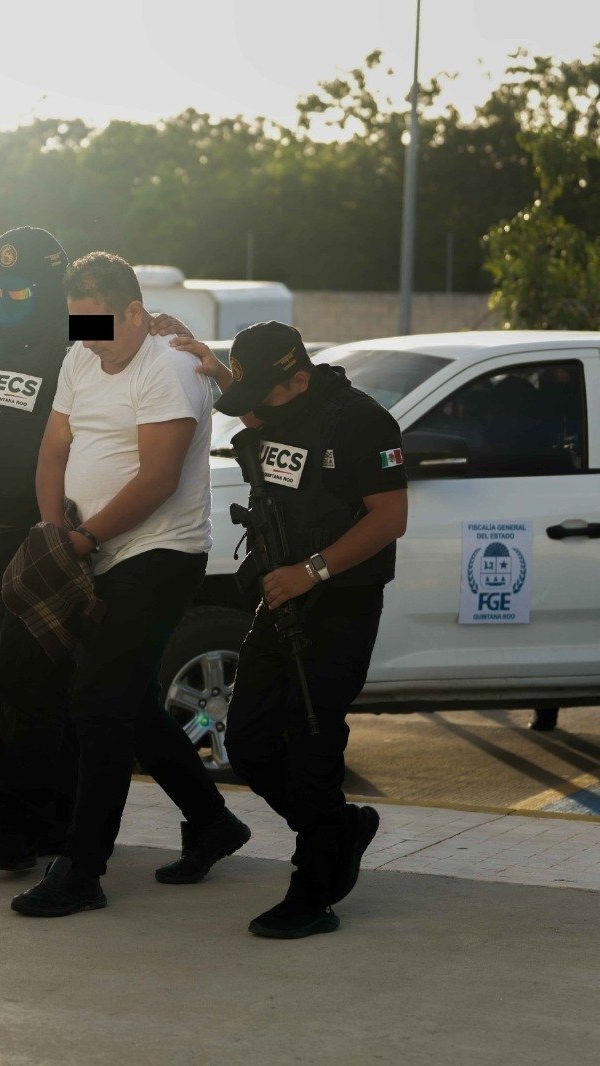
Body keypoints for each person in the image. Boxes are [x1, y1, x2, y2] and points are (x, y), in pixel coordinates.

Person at [0, 227, 193, 873]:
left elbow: (149, 334)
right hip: (1, 527)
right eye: (0, 285)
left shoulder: (80, 326)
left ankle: (65, 826)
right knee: (19, 678)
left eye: (21, 287)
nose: (7, 297)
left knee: (79, 684)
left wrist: (177, 335)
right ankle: (25, 823)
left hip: (74, 526)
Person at [10, 251, 250, 917]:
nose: (88, 341)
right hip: (89, 550)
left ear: (137, 314)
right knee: (128, 703)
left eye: (100, 326)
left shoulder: (171, 367)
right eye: (77, 325)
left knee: (97, 701)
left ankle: (83, 870)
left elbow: (158, 478)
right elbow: (53, 449)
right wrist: (53, 529)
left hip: (160, 553)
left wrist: (82, 540)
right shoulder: (82, 356)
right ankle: (212, 822)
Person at [174, 321, 408, 939]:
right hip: (280, 599)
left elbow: (391, 517)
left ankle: (314, 890)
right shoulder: (275, 403)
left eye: (261, 398)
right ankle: (337, 829)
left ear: (299, 379)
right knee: (248, 742)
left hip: (339, 604)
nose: (250, 413)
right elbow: (263, 422)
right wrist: (211, 364)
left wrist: (313, 571)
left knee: (312, 740)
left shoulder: (363, 423)